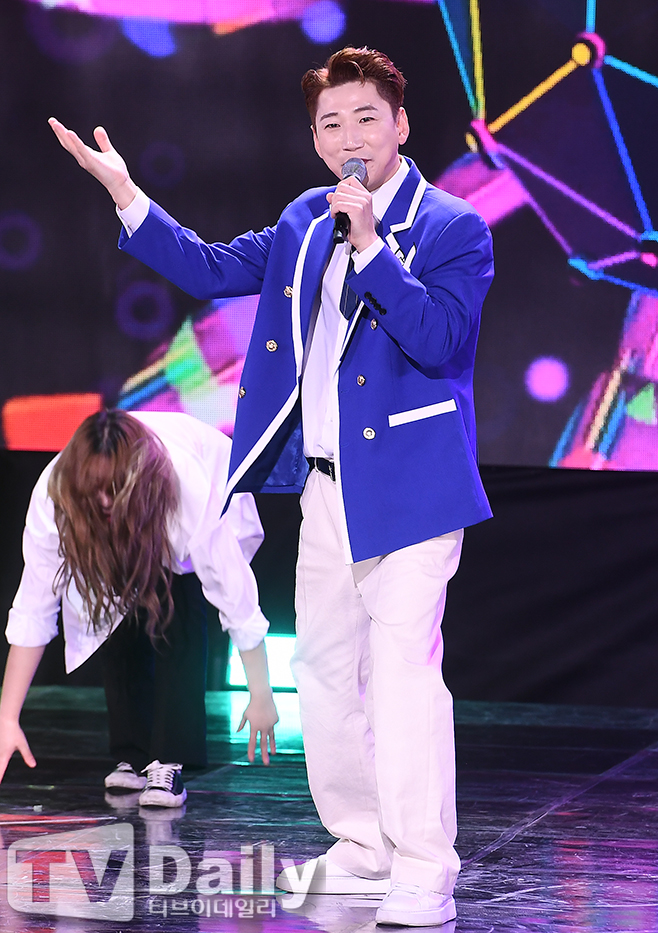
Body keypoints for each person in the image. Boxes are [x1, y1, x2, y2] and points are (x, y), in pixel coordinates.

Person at [48, 46, 494, 925]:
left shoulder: (452, 226)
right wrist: (126, 194)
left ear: (401, 125)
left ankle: (424, 867)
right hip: (326, 491)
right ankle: (361, 845)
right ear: (317, 140)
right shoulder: (303, 219)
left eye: (367, 118)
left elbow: (440, 339)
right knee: (323, 673)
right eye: (332, 123)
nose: (350, 136)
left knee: (404, 679)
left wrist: (372, 246)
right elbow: (211, 268)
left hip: (413, 490)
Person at [0, 410, 279, 808]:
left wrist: (261, 692)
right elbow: (34, 606)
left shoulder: (184, 485)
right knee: (112, 618)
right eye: (95, 491)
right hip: (122, 529)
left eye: (114, 489)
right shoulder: (54, 493)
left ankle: (168, 761)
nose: (104, 500)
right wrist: (7, 718)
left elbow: (235, 596)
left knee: (175, 611)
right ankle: (132, 754)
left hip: (186, 507)